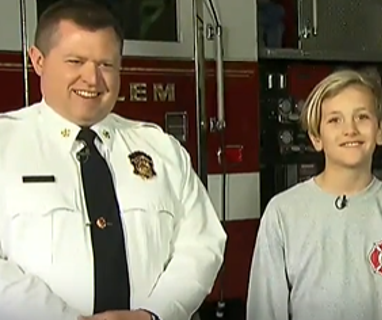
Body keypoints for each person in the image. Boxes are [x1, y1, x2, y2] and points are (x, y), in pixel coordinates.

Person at [0, 1, 227, 320]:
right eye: (75, 61)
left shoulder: (160, 148)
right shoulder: (5, 145)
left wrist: (152, 314)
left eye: (105, 64)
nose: (92, 79)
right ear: (38, 60)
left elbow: (202, 244)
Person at [246, 69, 382, 320]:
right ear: (316, 137)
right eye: (334, 120)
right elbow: (264, 310)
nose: (350, 129)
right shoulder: (283, 214)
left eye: (362, 117)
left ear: (381, 130)